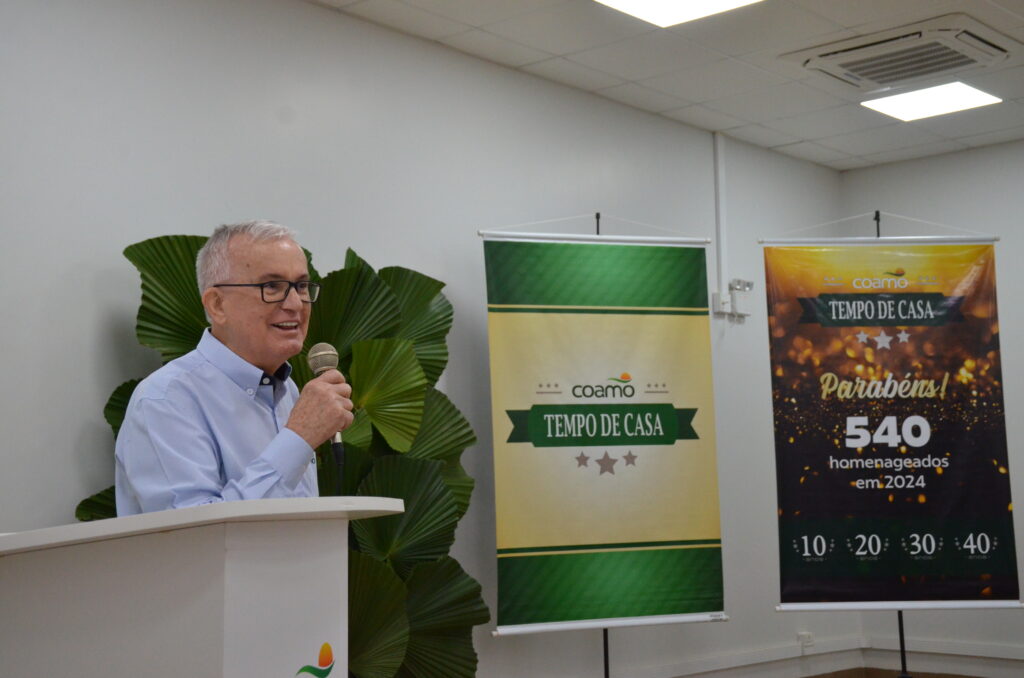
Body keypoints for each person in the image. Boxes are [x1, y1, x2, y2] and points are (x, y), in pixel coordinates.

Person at [114, 221, 354, 515]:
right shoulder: (166, 400)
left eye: (301, 286)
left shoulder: (287, 389)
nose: (295, 304)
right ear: (217, 305)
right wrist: (299, 438)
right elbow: (196, 537)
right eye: (272, 286)